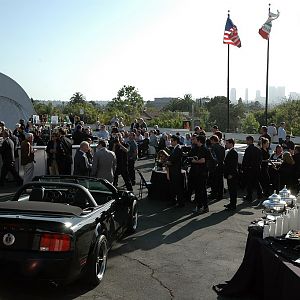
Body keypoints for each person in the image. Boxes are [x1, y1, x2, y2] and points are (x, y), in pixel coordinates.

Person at [190, 134, 211, 214]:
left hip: (201, 173)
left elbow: (202, 160)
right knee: (202, 190)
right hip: (202, 172)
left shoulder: (203, 149)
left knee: (200, 191)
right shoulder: (203, 148)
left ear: (199, 141)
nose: (194, 141)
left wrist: (194, 161)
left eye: (196, 140)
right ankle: (204, 207)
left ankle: (200, 207)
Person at [241, 136, 262, 202]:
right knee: (256, 181)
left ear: (250, 141)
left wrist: (243, 167)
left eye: (247, 140)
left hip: (249, 169)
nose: (246, 142)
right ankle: (260, 193)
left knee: (249, 183)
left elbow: (245, 160)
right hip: (256, 168)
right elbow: (260, 159)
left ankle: (249, 196)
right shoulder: (258, 149)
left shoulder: (248, 149)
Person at [166, 135, 184, 207]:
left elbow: (174, 160)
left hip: (175, 171)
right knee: (173, 187)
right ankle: (174, 201)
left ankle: (180, 203)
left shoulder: (178, 149)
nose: (171, 142)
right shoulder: (175, 148)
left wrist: (167, 162)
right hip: (173, 170)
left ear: (176, 141)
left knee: (177, 188)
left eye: (172, 141)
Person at [223, 138, 238, 211]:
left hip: (232, 174)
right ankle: (231, 203)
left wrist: (231, 174)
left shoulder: (233, 152)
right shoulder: (230, 151)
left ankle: (233, 205)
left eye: (227, 143)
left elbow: (234, 165)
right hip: (229, 173)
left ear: (231, 144)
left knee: (233, 190)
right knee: (231, 189)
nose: (226, 144)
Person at [208, 135, 225, 200]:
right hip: (220, 166)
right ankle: (220, 195)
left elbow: (211, 158)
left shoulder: (212, 148)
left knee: (213, 182)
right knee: (220, 182)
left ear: (212, 140)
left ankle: (214, 194)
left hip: (213, 167)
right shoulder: (222, 147)